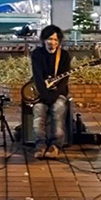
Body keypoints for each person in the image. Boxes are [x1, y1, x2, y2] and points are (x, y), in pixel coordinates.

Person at [30, 25, 71, 160]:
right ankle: (40, 144)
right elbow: (37, 77)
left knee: (57, 110)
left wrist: (53, 96)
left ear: (59, 41)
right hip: (41, 94)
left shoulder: (64, 56)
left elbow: (64, 80)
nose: (52, 42)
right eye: (49, 39)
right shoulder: (37, 54)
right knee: (38, 112)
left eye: (55, 39)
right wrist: (45, 95)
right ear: (43, 40)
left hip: (58, 93)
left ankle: (55, 145)